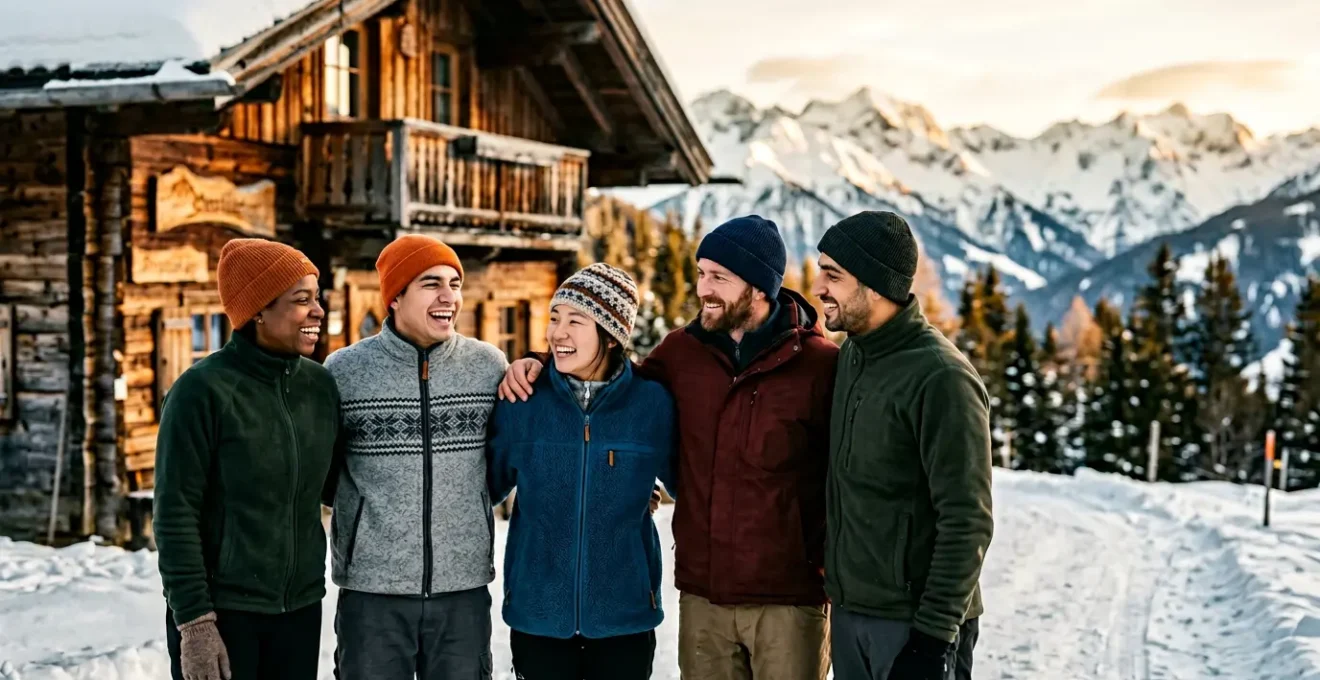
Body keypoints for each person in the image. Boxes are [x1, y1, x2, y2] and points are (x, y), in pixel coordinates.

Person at [501, 216, 838, 680]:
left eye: (719, 277)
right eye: (700, 273)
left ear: (760, 287)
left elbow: (847, 474)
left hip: (788, 595)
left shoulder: (821, 366)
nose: (703, 289)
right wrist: (539, 364)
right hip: (705, 598)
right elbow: (610, 379)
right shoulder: (680, 355)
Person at [811, 210, 994, 680]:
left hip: (914, 626)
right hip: (853, 614)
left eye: (833, 275)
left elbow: (968, 521)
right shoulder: (854, 354)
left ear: (875, 285)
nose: (819, 288)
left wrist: (933, 639)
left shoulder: (942, 378)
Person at [326, 234, 508, 680]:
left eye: (455, 283)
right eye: (431, 284)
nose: (450, 296)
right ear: (395, 297)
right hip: (372, 593)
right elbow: (327, 474)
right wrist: (367, 524)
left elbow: (502, 465)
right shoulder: (344, 372)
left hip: (461, 591)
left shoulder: (488, 368)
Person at [154, 238, 338, 680]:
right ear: (258, 309)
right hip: (224, 613)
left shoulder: (320, 386)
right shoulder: (202, 391)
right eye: (301, 300)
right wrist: (195, 624)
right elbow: (175, 514)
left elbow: (337, 484)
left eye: (318, 298)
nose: (318, 311)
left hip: (299, 609)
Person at [488, 263, 678, 680]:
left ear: (611, 336)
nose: (558, 333)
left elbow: (693, 484)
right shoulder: (523, 399)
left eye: (576, 320)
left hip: (624, 620)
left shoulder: (651, 405)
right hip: (538, 618)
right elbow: (482, 487)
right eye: (554, 318)